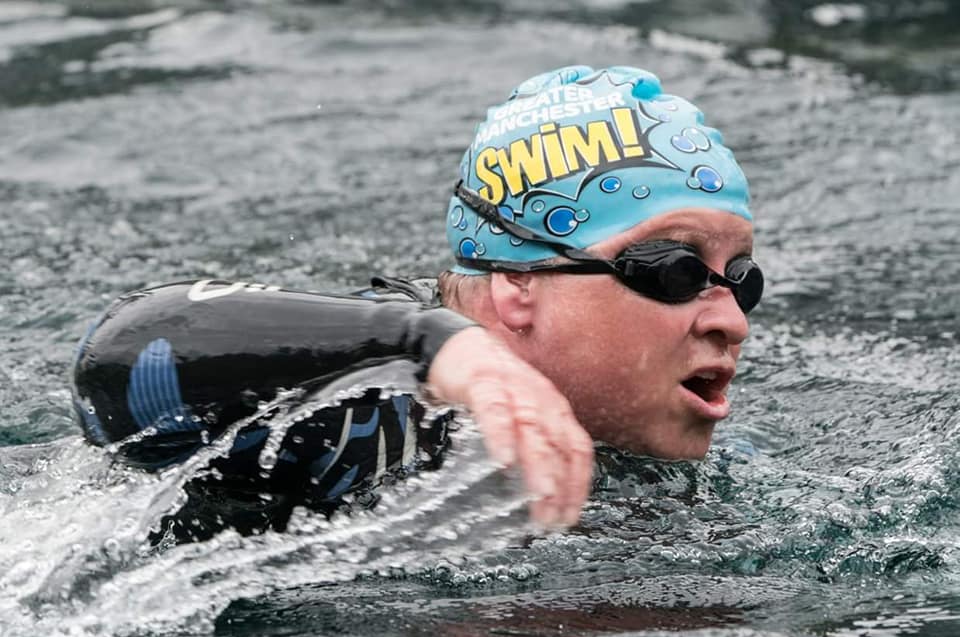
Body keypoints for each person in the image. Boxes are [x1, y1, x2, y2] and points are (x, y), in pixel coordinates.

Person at [71, 65, 761, 544]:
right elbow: (125, 355)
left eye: (741, 277)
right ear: (517, 284)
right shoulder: (374, 412)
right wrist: (437, 344)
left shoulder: (662, 471)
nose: (730, 320)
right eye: (671, 269)